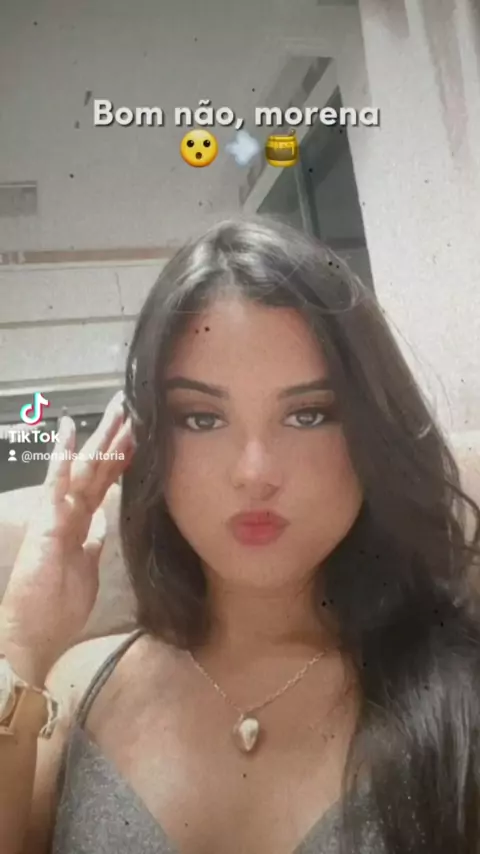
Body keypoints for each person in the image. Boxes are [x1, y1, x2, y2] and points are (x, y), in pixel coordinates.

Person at [0, 216, 479, 854]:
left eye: (308, 415)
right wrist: (19, 639)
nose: (254, 472)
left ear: (371, 432)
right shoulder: (72, 688)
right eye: (202, 418)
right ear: (150, 446)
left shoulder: (458, 691)